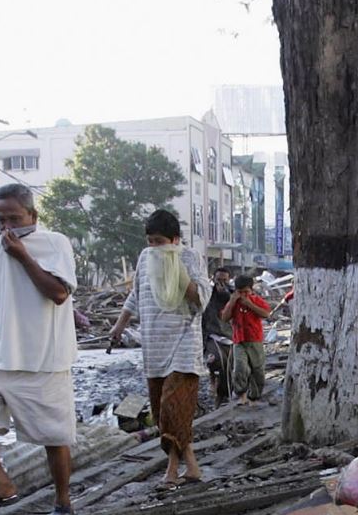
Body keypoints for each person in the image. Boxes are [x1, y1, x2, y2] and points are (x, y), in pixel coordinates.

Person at [0, 182, 78, 515]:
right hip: (0, 353)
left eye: (14, 218)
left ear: (32, 215)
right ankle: (2, 483)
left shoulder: (55, 243)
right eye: (1, 219)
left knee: (55, 436)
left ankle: (63, 502)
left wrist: (23, 256)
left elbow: (58, 293)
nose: (7, 226)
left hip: (45, 356)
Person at [106, 207, 208, 486]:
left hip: (184, 344)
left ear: (175, 239)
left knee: (173, 407)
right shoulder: (145, 257)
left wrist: (178, 271)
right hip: (153, 345)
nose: (154, 247)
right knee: (165, 414)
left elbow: (201, 298)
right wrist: (119, 326)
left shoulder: (190, 257)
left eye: (160, 242)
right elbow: (136, 294)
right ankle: (192, 466)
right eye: (150, 241)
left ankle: (171, 471)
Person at [227, 272, 271, 402]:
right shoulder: (234, 302)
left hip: (255, 339)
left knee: (258, 371)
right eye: (240, 292)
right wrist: (232, 302)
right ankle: (240, 393)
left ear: (251, 290)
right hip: (239, 341)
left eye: (246, 292)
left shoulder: (256, 300)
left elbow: (266, 314)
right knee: (240, 368)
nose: (243, 295)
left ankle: (254, 396)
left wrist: (250, 304)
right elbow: (224, 317)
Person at [202, 264, 235, 405]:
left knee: (228, 365)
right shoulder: (207, 293)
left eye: (224, 280)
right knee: (216, 359)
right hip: (211, 334)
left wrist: (226, 295)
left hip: (229, 335)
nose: (221, 283)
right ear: (213, 279)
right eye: (218, 280)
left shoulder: (233, 294)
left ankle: (224, 393)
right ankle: (214, 381)